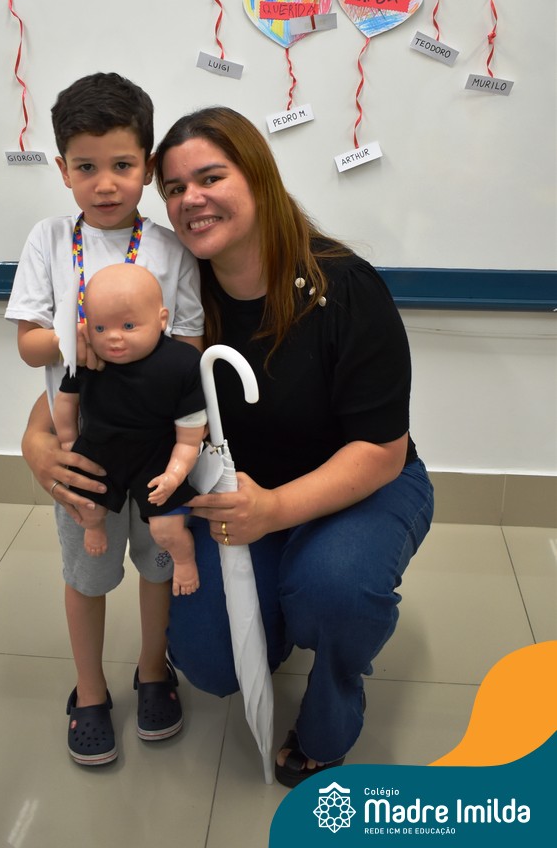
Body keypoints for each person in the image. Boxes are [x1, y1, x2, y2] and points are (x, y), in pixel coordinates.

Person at [22, 105, 434, 788]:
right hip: (235, 500)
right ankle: (282, 612)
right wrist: (36, 439)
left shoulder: (343, 288)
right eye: (175, 188)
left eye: (210, 178)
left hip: (358, 487)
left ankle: (330, 707)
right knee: (210, 661)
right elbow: (109, 375)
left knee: (334, 590)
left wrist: (274, 511)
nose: (191, 199)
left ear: (259, 178)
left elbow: (380, 452)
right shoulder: (178, 290)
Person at [6, 73, 204, 766]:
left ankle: (152, 670)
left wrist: (136, 350)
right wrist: (74, 340)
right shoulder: (50, 239)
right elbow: (29, 341)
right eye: (86, 167)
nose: (106, 183)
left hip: (156, 450)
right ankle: (88, 689)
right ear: (63, 170)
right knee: (86, 572)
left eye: (122, 165)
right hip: (83, 448)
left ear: (147, 167)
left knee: (157, 563)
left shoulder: (170, 248)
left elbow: (188, 345)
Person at [53, 263, 206, 595]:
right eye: (100, 327)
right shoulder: (88, 358)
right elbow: (65, 400)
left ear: (162, 320)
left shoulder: (181, 363)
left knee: (166, 531)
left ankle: (183, 559)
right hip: (99, 451)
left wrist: (175, 474)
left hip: (157, 458)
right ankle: (95, 527)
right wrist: (67, 442)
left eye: (128, 325)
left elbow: (191, 434)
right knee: (87, 506)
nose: (113, 337)